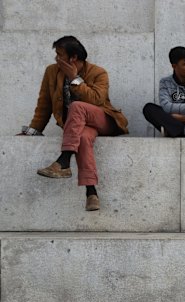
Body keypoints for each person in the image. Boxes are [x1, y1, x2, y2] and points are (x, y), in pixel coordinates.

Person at [18, 36, 128, 211]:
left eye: (60, 54)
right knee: (83, 137)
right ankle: (91, 192)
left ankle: (64, 160)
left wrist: (74, 78)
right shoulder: (51, 72)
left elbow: (97, 100)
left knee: (77, 106)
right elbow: (44, 104)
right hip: (79, 127)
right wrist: (32, 131)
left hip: (103, 120)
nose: (56, 59)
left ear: (73, 57)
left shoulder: (99, 72)